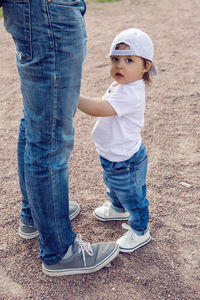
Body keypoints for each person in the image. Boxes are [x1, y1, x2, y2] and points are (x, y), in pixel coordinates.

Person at [0, 0, 119, 276]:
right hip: (46, 11)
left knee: (36, 120)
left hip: (40, 11)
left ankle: (35, 216)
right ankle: (60, 251)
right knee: (50, 136)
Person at [78, 28, 157, 253]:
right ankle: (117, 207)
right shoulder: (120, 85)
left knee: (134, 197)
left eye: (129, 60)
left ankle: (140, 231)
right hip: (113, 156)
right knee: (114, 186)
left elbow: (99, 108)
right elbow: (102, 101)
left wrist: (73, 95)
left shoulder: (131, 92)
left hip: (126, 161)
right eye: (115, 59)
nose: (119, 65)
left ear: (145, 67)